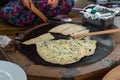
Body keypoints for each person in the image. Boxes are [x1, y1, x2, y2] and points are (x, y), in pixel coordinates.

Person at [0, 0, 74, 27]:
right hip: (27, 4)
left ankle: (43, 16)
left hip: (46, 3)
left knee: (70, 2)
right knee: (7, 12)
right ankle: (45, 17)